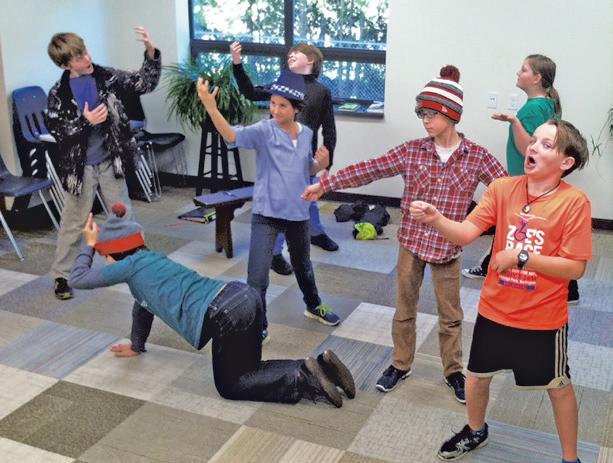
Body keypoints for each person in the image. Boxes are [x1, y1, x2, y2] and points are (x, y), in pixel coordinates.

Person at [303, 66, 507, 403]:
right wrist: (326, 184)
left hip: (448, 249)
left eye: (432, 114)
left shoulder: (476, 157)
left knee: (451, 316)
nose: (426, 120)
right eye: (422, 114)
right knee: (404, 310)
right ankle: (401, 363)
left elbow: (506, 190)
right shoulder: (412, 151)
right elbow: (371, 168)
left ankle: (453, 371)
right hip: (412, 243)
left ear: (451, 115)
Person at [410, 119, 590, 462]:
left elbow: (575, 268)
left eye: (546, 145)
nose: (533, 147)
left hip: (542, 319)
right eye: (533, 140)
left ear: (566, 162)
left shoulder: (574, 202)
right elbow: (466, 233)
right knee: (477, 378)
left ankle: (571, 458)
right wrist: (436, 219)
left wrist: (522, 258)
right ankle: (476, 429)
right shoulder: (502, 188)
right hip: (495, 310)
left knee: (557, 387)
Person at [69, 204, 356, 407]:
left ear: (117, 252)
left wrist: (89, 244)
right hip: (243, 296)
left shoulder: (129, 266)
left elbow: (78, 279)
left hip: (225, 313)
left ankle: (303, 378)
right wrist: (136, 345)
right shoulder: (149, 263)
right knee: (250, 370)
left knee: (231, 386)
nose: (104, 261)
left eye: (105, 255)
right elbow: (144, 306)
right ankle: (322, 367)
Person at [197, 70, 342, 342]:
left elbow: (306, 168)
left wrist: (320, 164)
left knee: (303, 266)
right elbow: (232, 136)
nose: (275, 109)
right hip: (267, 214)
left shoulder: (307, 133)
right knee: (257, 276)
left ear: (297, 108)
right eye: (272, 103)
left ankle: (313, 305)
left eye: (282, 105)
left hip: (298, 213)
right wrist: (211, 108)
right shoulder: (264, 130)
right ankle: (258, 322)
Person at [45, 27, 161, 300]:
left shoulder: (106, 76)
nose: (87, 58)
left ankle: (137, 262)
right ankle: (62, 276)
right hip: (79, 168)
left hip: (111, 160)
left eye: (85, 52)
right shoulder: (58, 93)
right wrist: (86, 122)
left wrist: (151, 53)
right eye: (78, 57)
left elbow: (143, 83)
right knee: (73, 222)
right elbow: (58, 131)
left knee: (122, 213)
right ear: (64, 65)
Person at [461, 55, 578, 304]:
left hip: (526, 179)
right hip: (531, 180)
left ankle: (568, 289)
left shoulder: (532, 109)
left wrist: (514, 121)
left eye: (523, 70)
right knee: (520, 229)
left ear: (536, 78)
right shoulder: (548, 104)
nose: (518, 73)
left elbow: (528, 150)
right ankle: (569, 289)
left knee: (512, 226)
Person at [230, 41, 338, 276]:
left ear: (311, 60)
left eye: (296, 53)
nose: (291, 55)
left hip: (304, 158)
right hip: (277, 157)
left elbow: (329, 129)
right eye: (289, 54)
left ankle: (315, 232)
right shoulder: (280, 85)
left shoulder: (322, 92)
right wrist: (237, 63)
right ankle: (275, 253)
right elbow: (250, 92)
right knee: (284, 205)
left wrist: (326, 164)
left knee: (308, 198)